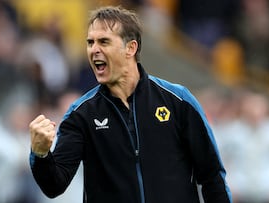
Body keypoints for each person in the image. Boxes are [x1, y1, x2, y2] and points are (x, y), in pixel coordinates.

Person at [29, 6, 232, 203]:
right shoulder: (81, 114)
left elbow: (211, 175)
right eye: (90, 43)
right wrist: (40, 154)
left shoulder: (178, 101)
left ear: (130, 48)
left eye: (104, 42)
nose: (94, 50)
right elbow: (54, 186)